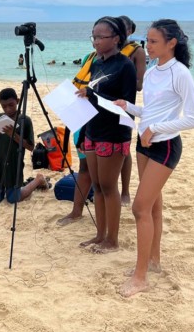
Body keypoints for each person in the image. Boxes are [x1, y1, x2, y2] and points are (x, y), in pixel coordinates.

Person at [115, 19, 194, 297]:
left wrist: (156, 128)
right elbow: (151, 110)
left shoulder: (181, 73)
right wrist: (128, 106)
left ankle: (140, 277)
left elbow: (193, 118)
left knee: (139, 208)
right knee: (152, 208)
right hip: (144, 144)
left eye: (153, 41)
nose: (147, 46)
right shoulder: (152, 72)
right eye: (147, 40)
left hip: (164, 146)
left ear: (171, 43)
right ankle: (153, 262)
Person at [75, 17, 136, 253]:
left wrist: (93, 97)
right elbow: (92, 99)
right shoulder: (97, 62)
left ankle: (113, 239)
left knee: (109, 187)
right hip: (93, 130)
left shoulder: (124, 65)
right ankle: (100, 234)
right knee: (97, 186)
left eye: (101, 37)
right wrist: (82, 133)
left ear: (116, 39)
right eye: (94, 36)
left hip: (114, 133)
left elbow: (127, 104)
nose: (96, 42)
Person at [57, 49, 98, 227]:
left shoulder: (123, 60)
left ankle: (97, 199)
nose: (97, 41)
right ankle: (77, 210)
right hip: (82, 114)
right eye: (94, 37)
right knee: (84, 166)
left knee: (100, 170)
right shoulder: (88, 58)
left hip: (102, 120)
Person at [0, 88, 48, 204]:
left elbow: (30, 147)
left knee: (13, 199)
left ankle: (38, 179)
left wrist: (12, 134)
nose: (8, 109)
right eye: (4, 106)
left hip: (14, 165)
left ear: (18, 101)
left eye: (11, 105)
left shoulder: (25, 120)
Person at [118, 15, 148, 206]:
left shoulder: (136, 51)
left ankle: (125, 191)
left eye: (124, 28)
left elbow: (139, 85)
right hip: (104, 102)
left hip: (125, 104)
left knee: (123, 148)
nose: (120, 31)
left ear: (131, 31)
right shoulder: (106, 48)